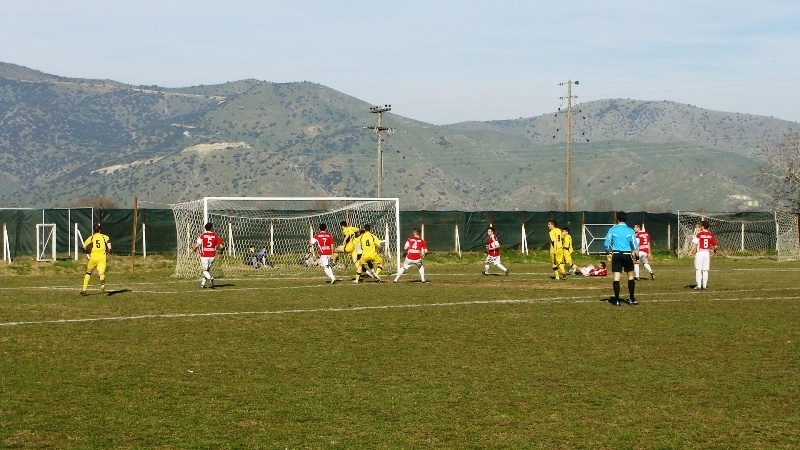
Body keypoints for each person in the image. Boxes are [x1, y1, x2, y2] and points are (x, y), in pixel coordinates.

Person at [603, 211, 639, 306]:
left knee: (616, 277)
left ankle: (617, 300)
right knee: (631, 276)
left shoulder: (612, 229)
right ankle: (631, 299)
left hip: (616, 254)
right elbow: (635, 245)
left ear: (617, 219)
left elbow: (606, 244)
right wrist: (637, 257)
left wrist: (608, 253)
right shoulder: (630, 230)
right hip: (627, 255)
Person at [190, 222, 224, 289]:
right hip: (212, 256)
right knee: (207, 270)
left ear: (205, 228)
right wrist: (221, 252)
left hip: (204, 255)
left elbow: (197, 245)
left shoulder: (202, 235)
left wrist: (192, 250)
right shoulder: (215, 235)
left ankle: (210, 278)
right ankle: (203, 284)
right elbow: (222, 247)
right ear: (211, 228)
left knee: (204, 270)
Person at [80, 223, 111, 296]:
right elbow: (109, 247)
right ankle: (103, 285)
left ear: (94, 230)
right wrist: (109, 252)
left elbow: (84, 246)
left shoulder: (92, 237)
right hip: (102, 257)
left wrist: (86, 251)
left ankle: (84, 290)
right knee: (101, 273)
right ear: (100, 230)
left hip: (93, 257)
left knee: (88, 272)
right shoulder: (105, 237)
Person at [688, 220, 718, 290]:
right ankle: (704, 286)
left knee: (698, 269)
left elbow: (694, 244)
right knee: (705, 270)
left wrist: (691, 252)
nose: (700, 227)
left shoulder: (699, 234)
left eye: (700, 225)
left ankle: (699, 285)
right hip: (706, 254)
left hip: (700, 253)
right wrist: (714, 251)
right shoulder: (710, 235)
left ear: (703, 226)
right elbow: (716, 246)